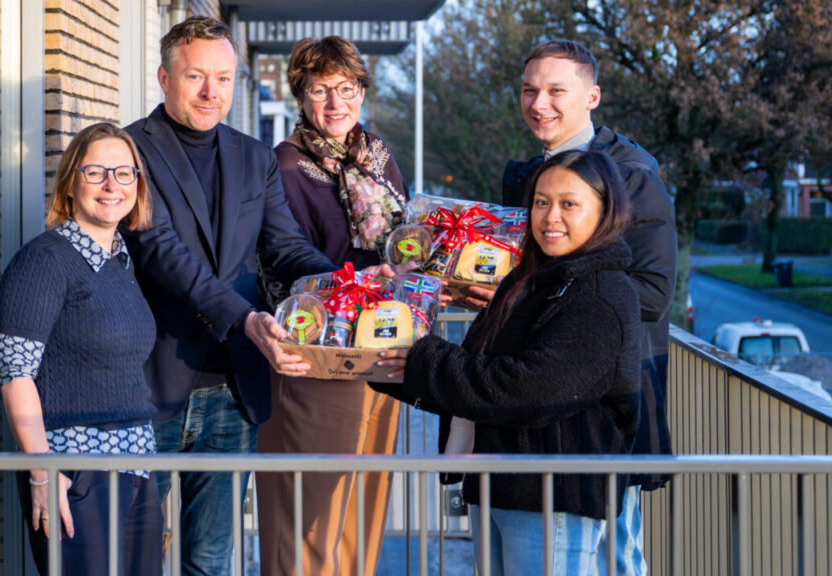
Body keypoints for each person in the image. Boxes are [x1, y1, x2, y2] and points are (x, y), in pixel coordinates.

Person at [122, 16, 336, 575]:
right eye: (196, 77)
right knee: (131, 554)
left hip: (232, 393)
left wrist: (345, 285)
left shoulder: (255, 157)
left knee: (211, 560)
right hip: (148, 384)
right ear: (164, 77)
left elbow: (286, 248)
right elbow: (159, 252)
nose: (212, 92)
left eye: (223, 77)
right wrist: (246, 319)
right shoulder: (131, 151)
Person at [380, 150, 642, 574]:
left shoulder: (600, 294)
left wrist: (423, 360)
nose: (550, 216)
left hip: (554, 499)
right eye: (541, 202)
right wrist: (376, 355)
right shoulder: (533, 280)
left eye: (568, 203)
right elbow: (475, 371)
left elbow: (528, 389)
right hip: (502, 486)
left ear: (605, 211)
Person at [497, 39, 678, 575]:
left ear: (592, 96)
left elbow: (653, 293)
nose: (539, 103)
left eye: (556, 90)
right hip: (546, 395)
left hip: (608, 403)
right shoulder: (533, 173)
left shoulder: (633, 176)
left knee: (618, 552)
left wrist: (530, 290)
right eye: (530, 90)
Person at [255, 36, 409, 576]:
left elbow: (402, 242)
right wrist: (355, 281)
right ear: (300, 95)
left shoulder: (380, 157)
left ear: (362, 90)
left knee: (364, 506)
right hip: (318, 355)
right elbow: (285, 259)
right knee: (311, 516)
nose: (336, 101)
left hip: (383, 352)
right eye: (320, 89)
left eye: (347, 87)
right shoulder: (285, 165)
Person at [0, 122, 162, 575]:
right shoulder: (44, 262)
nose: (112, 185)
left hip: (137, 468)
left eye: (124, 173)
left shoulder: (121, 261)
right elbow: (16, 373)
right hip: (76, 473)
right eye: (95, 173)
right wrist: (43, 474)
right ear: (70, 184)